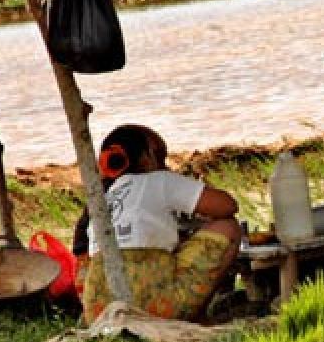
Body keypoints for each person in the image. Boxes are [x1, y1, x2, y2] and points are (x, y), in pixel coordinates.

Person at [74, 124, 242, 323]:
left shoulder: (100, 195)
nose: (164, 165)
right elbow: (226, 206)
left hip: (100, 312)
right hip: (155, 306)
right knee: (228, 227)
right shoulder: (159, 180)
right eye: (160, 156)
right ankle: (195, 317)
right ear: (146, 159)